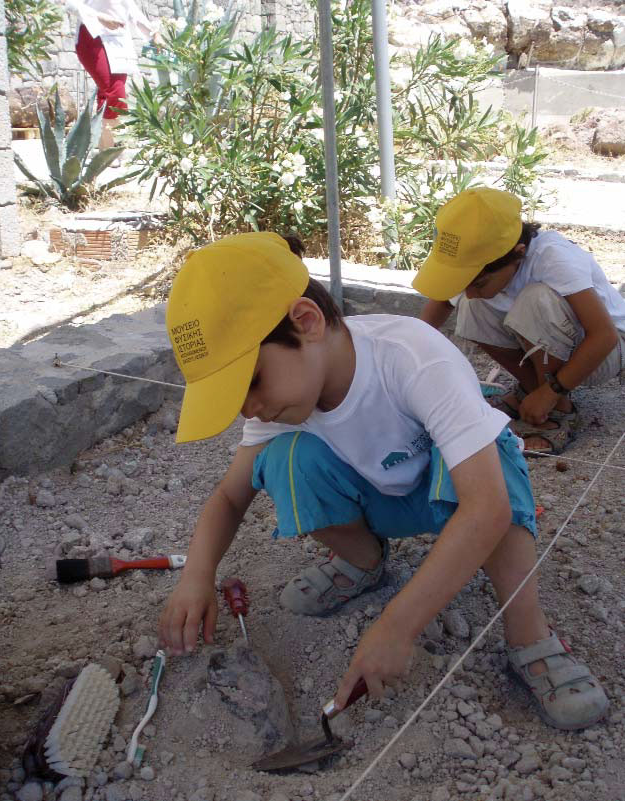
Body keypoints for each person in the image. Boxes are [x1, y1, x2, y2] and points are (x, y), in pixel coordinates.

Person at [158, 231, 609, 731]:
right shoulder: (282, 405)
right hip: (384, 503)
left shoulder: (411, 355)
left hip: (457, 499)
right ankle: (364, 563)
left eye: (250, 383)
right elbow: (228, 497)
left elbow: (486, 508)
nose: (250, 408)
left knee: (496, 460)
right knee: (287, 459)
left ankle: (530, 635)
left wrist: (397, 626)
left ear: (304, 322)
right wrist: (197, 576)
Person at [415, 187, 625, 455]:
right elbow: (443, 302)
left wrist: (552, 392)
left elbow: (603, 336)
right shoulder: (484, 265)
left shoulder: (553, 258)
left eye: (478, 283)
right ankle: (532, 390)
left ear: (518, 252)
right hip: (565, 349)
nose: (468, 291)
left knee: (534, 300)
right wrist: (404, 349)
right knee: (472, 306)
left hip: (605, 353)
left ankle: (559, 407)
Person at [64, 0, 160, 149]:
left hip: (119, 41)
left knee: (108, 95)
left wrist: (154, 34)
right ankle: (112, 148)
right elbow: (71, 4)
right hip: (92, 37)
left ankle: (105, 149)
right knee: (115, 92)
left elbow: (130, 8)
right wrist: (99, 17)